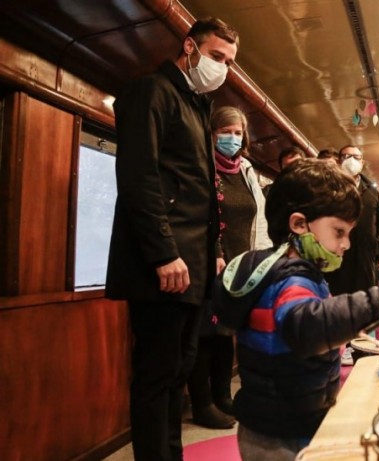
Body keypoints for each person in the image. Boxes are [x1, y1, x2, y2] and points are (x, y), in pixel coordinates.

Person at [213, 159, 379, 460]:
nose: (346, 244)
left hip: (272, 423)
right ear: (299, 224)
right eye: (339, 232)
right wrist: (376, 304)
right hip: (282, 433)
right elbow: (306, 327)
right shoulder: (293, 280)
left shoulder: (280, 271)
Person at [105, 17, 239, 461]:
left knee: (178, 371)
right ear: (190, 47)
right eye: (216, 57)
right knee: (155, 375)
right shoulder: (152, 92)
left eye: (228, 62)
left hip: (193, 266)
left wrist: (213, 253)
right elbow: (139, 178)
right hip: (163, 265)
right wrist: (165, 253)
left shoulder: (196, 104)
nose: (221, 68)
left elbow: (200, 190)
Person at [186, 106, 271, 429]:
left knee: (225, 333)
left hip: (240, 265)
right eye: (226, 132)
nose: (232, 139)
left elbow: (258, 218)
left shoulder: (246, 170)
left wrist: (259, 260)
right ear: (211, 133)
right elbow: (200, 213)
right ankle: (201, 402)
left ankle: (223, 396)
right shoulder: (204, 166)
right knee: (204, 334)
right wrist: (214, 252)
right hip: (209, 261)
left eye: (237, 133)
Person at [324, 145, 379, 297]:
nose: (351, 161)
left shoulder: (371, 192)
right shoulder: (329, 188)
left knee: (363, 300)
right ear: (339, 160)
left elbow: (378, 223)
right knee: (338, 299)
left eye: (356, 157)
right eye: (346, 156)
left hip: (364, 257)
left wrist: (375, 254)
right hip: (337, 256)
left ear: (362, 162)